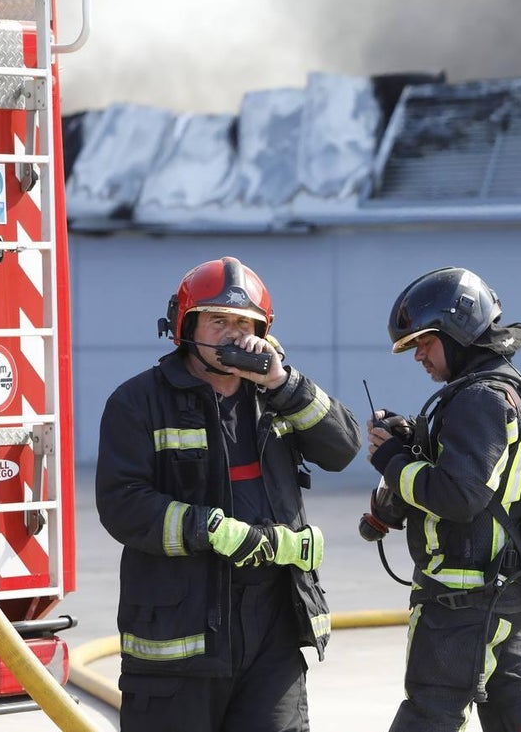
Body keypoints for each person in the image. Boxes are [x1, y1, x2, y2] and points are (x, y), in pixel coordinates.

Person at [95, 256, 362, 732]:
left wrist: (281, 381)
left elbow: (342, 448)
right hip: (182, 633)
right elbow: (122, 502)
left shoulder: (277, 395)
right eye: (218, 320)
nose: (234, 334)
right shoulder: (137, 402)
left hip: (274, 625)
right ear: (187, 323)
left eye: (245, 323)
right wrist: (209, 530)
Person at [359, 266, 521, 731]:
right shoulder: (509, 389)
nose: (418, 357)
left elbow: (459, 495)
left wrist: (391, 459)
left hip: (461, 600)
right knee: (518, 716)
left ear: (459, 331)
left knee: (429, 714)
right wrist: (416, 442)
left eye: (425, 343)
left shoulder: (479, 399)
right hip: (501, 591)